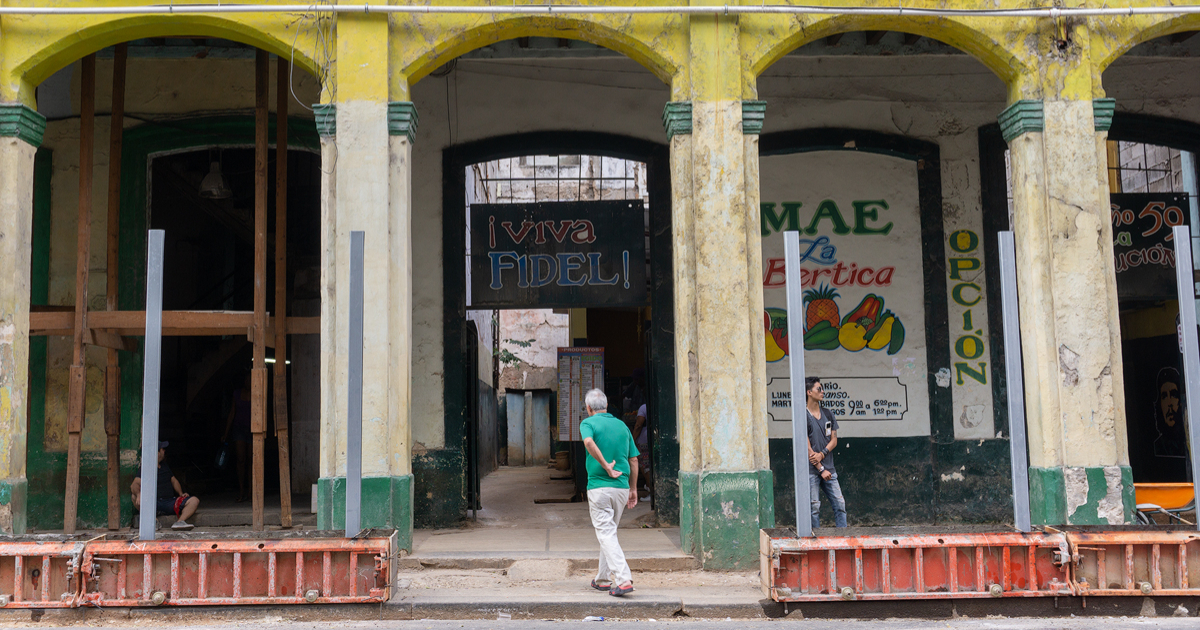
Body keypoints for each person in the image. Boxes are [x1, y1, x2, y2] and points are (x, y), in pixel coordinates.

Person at [580, 388, 639, 597]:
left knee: (605, 532)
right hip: (622, 488)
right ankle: (603, 579)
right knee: (609, 532)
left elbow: (588, 442)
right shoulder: (622, 426)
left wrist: (605, 465)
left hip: (599, 488)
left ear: (588, 408)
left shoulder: (588, 423)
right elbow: (633, 460)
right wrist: (633, 489)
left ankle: (623, 578)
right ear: (606, 405)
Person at [804, 377, 847, 528]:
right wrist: (820, 468)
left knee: (840, 505)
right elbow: (806, 446)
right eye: (819, 389)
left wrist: (822, 454)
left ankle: (843, 539)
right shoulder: (803, 416)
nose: (822, 392)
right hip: (812, 470)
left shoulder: (828, 414)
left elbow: (834, 440)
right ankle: (815, 541)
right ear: (809, 392)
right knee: (814, 508)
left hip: (830, 469)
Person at [131, 441, 199, 531]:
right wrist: (139, 495)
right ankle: (153, 521)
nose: (164, 451)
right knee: (133, 496)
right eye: (163, 449)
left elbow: (174, 481)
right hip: (153, 504)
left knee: (194, 500)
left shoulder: (164, 466)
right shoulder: (146, 467)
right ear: (157, 452)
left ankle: (180, 522)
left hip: (170, 502)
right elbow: (134, 484)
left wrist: (181, 493)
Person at [222, 373, 253, 502]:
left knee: (252, 461)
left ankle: (251, 492)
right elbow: (232, 412)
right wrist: (225, 433)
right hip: (239, 429)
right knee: (241, 460)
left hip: (253, 429)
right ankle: (241, 490)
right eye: (247, 379)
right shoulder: (237, 393)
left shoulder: (257, 393)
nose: (248, 382)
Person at [1153, 367, 1188, 459]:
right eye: (1164, 396)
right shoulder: (1159, 446)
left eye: (1173, 395)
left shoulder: (1189, 442)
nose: (1169, 403)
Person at [632, 403, 652, 501]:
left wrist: (632, 440)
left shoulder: (643, 407)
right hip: (651, 440)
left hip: (644, 441)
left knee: (645, 467)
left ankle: (651, 493)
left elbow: (638, 425)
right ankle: (649, 487)